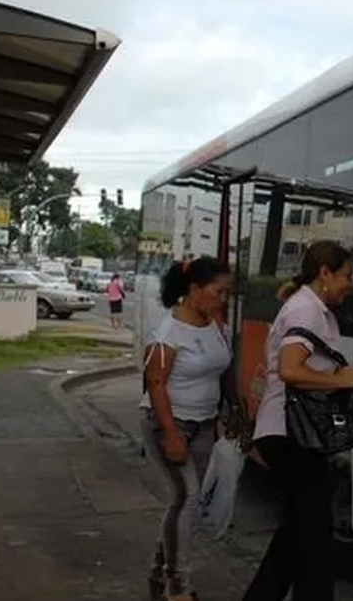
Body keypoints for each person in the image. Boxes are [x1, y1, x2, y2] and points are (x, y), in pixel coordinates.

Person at [243, 240, 353, 601]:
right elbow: (290, 370)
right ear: (324, 272)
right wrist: (341, 380)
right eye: (347, 275)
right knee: (313, 535)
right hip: (289, 432)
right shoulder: (305, 310)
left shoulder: (312, 308)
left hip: (293, 432)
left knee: (301, 530)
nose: (351, 283)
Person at [139, 257, 234, 601]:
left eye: (227, 292)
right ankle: (178, 587)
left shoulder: (215, 324)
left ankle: (157, 574)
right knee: (187, 498)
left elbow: (223, 370)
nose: (223, 299)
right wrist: (171, 435)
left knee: (183, 503)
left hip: (205, 424)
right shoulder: (167, 333)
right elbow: (155, 385)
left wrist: (234, 412)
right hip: (168, 423)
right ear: (194, 290)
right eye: (217, 291)